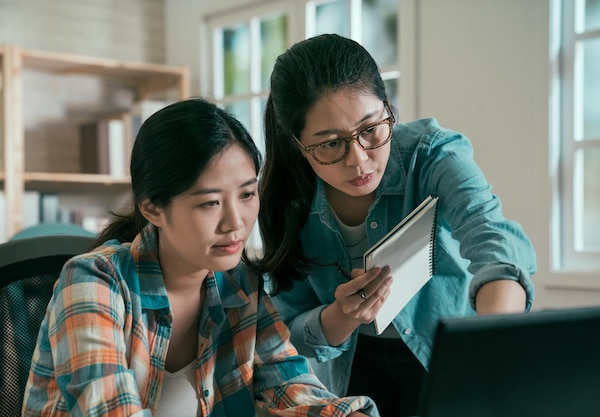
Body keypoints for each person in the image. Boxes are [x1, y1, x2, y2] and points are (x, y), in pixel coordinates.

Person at [21, 98, 379, 417]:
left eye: (247, 194)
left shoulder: (240, 285)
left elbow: (291, 386)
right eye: (210, 202)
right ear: (153, 208)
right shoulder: (92, 283)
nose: (235, 223)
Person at [256, 33, 537, 417]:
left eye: (371, 129)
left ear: (388, 108)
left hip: (446, 351)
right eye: (330, 144)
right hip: (354, 363)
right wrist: (342, 316)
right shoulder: (286, 199)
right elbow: (286, 335)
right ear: (297, 144)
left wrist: (486, 352)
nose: (359, 160)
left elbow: (496, 243)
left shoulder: (432, 154)